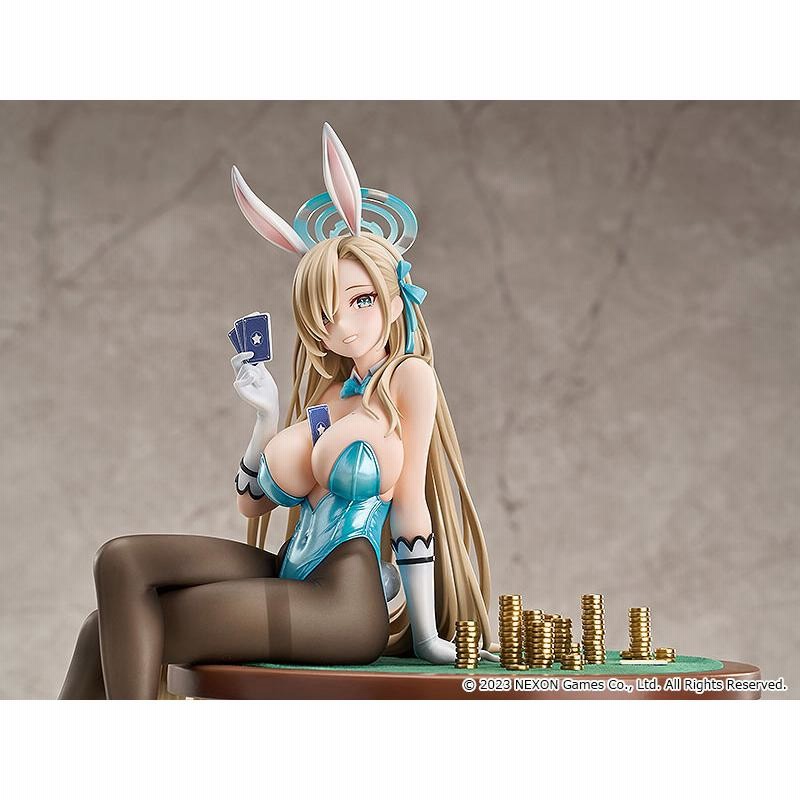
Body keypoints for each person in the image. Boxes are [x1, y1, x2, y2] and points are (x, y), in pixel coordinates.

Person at [59, 123, 497, 700]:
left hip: (344, 604)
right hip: (293, 571)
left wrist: (425, 635)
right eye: (326, 313)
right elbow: (253, 502)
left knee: (121, 628)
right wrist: (265, 419)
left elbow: (410, 504)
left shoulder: (409, 379)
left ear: (394, 302)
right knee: (119, 564)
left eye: (361, 300)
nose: (344, 325)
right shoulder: (327, 397)